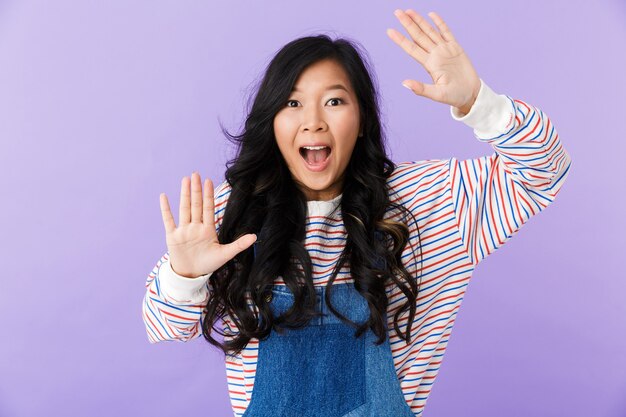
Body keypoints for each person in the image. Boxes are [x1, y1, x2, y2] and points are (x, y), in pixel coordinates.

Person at [142, 9, 571, 417]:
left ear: (362, 118)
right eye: (292, 104)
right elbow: (162, 326)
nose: (313, 122)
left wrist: (481, 103)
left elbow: (545, 171)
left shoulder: (429, 203)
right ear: (271, 122)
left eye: (334, 101)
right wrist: (185, 275)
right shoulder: (231, 214)